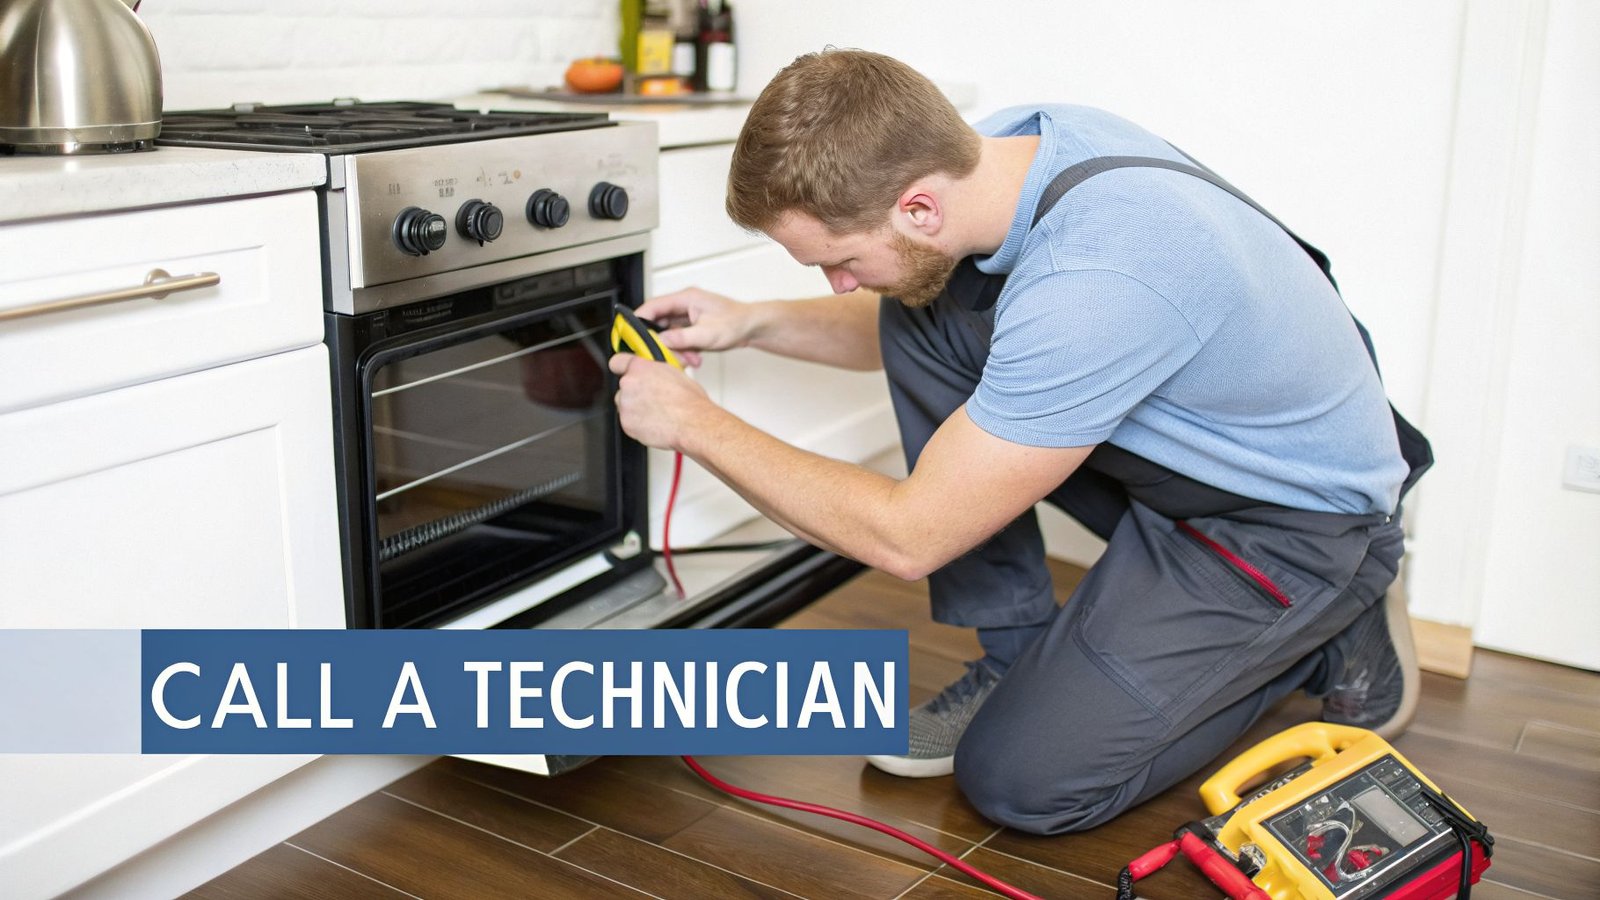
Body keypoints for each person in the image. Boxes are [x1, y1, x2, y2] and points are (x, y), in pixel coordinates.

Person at [608, 48, 1428, 834]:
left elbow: (906, 536)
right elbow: (909, 312)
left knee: (1022, 783)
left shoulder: (1098, 280)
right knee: (925, 303)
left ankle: (1331, 617)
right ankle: (1016, 652)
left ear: (918, 206)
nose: (839, 284)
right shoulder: (1005, 153)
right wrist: (752, 323)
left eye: (841, 261)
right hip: (1196, 450)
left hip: (1288, 521)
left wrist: (696, 425)